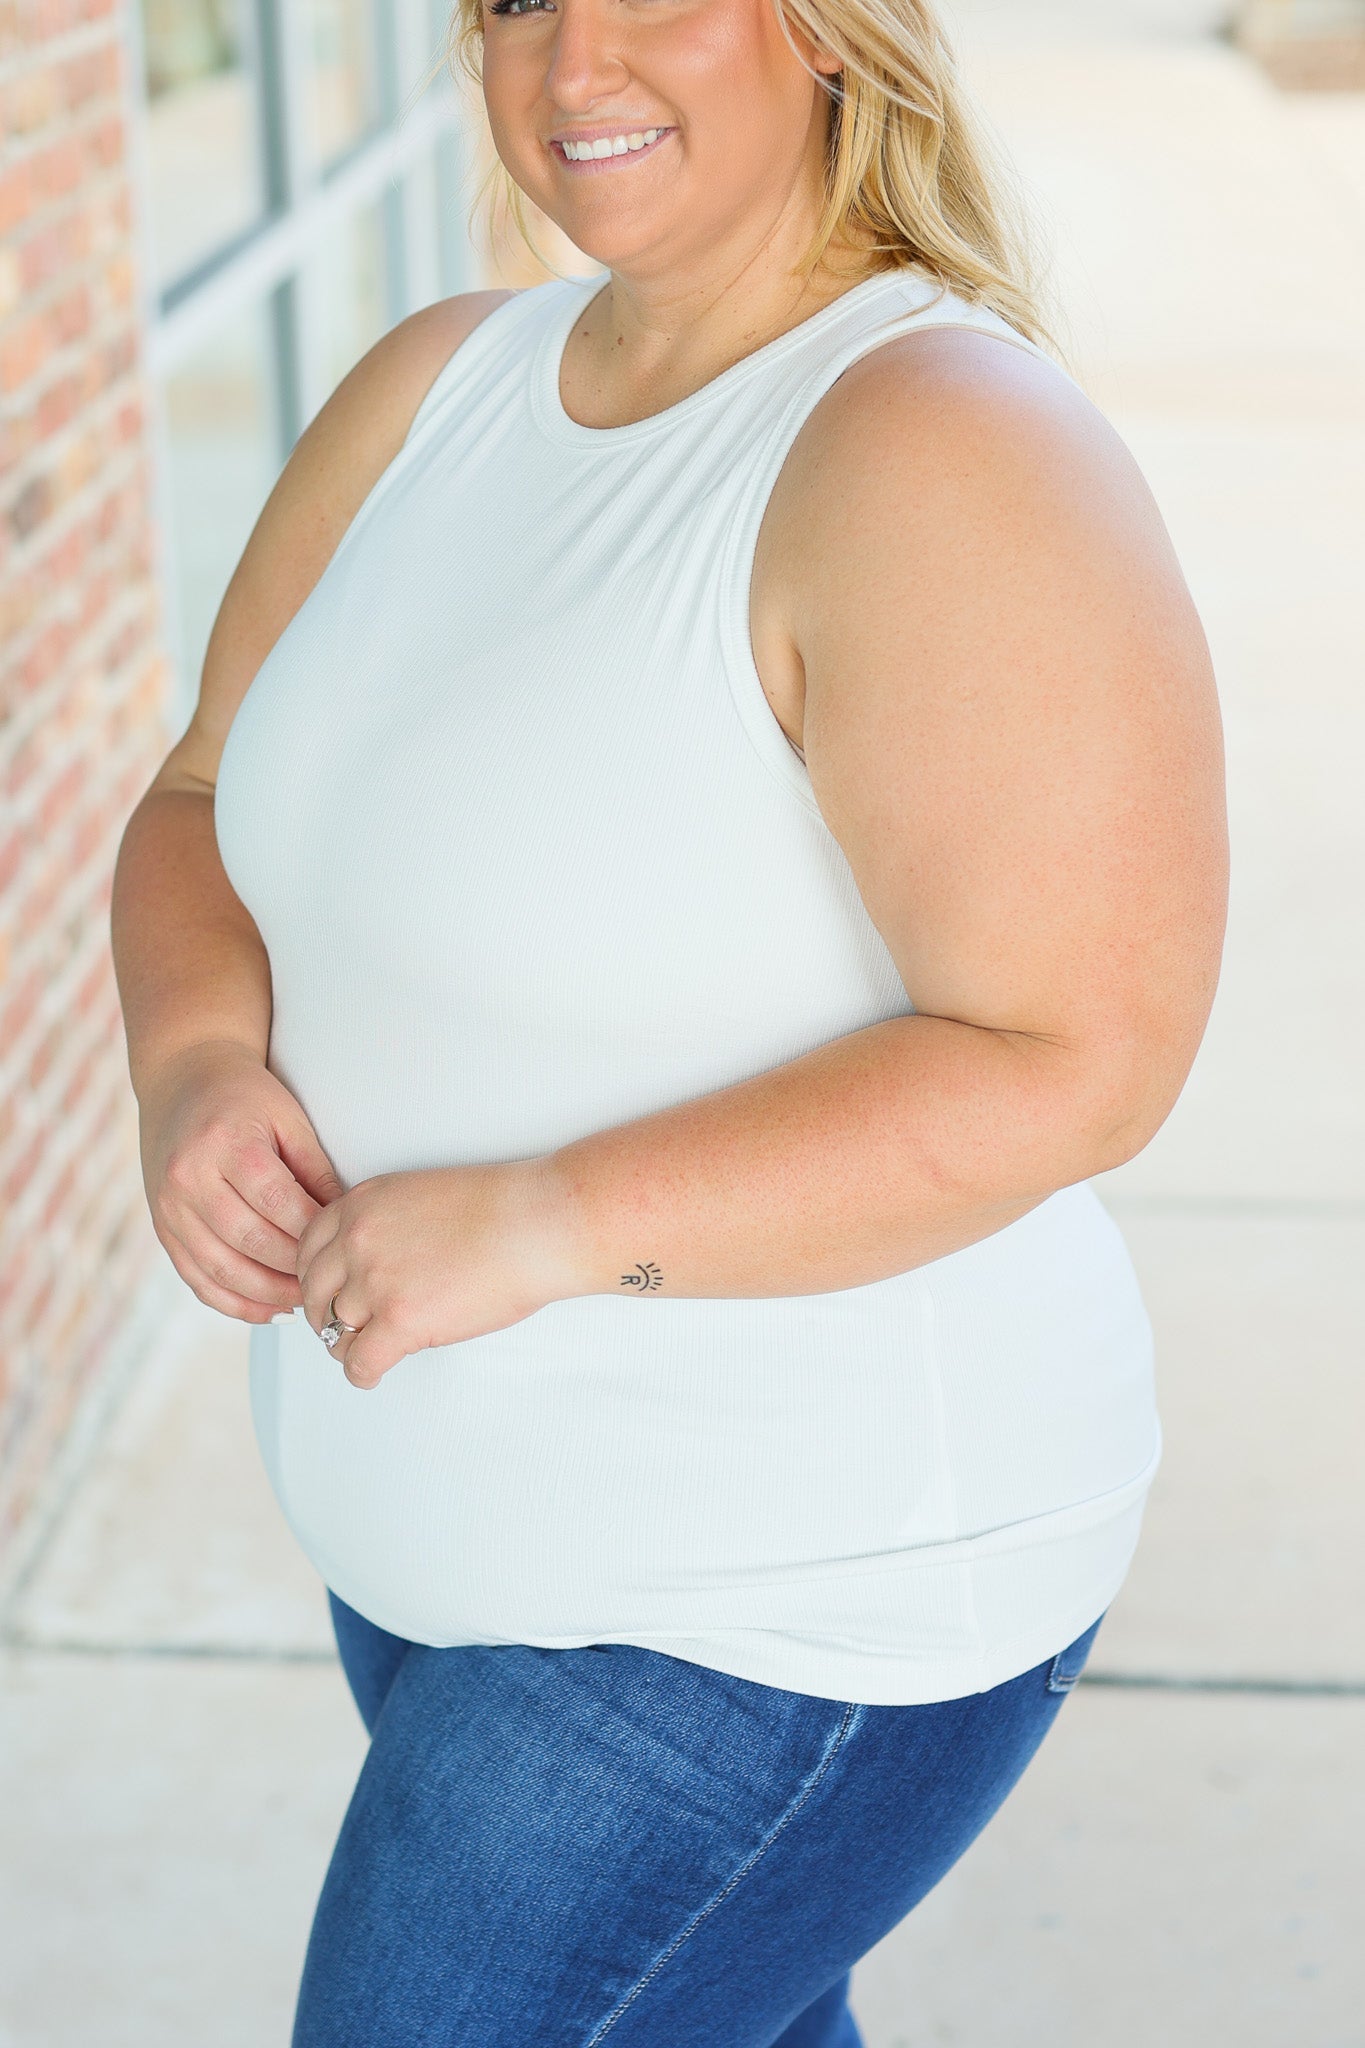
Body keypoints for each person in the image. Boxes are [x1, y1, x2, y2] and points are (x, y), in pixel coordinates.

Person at [111, 0, 1228, 2040]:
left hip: (774, 1613)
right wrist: (196, 1065)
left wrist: (539, 1216)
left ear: (827, 32)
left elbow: (1081, 1049)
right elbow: (198, 796)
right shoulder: (435, 388)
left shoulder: (934, 444)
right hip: (446, 1579)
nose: (572, 64)